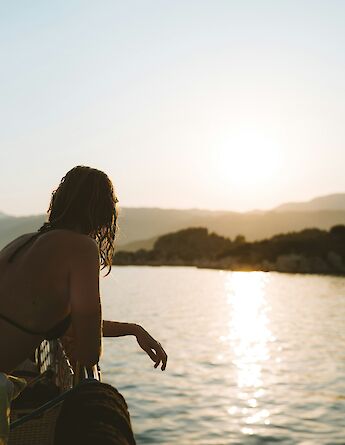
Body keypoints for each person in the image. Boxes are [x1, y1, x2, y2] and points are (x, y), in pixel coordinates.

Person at [0, 165, 167, 373]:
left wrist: (133, 330)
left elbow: (60, 323)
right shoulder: (81, 247)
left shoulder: (23, 243)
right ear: (101, 210)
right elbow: (89, 352)